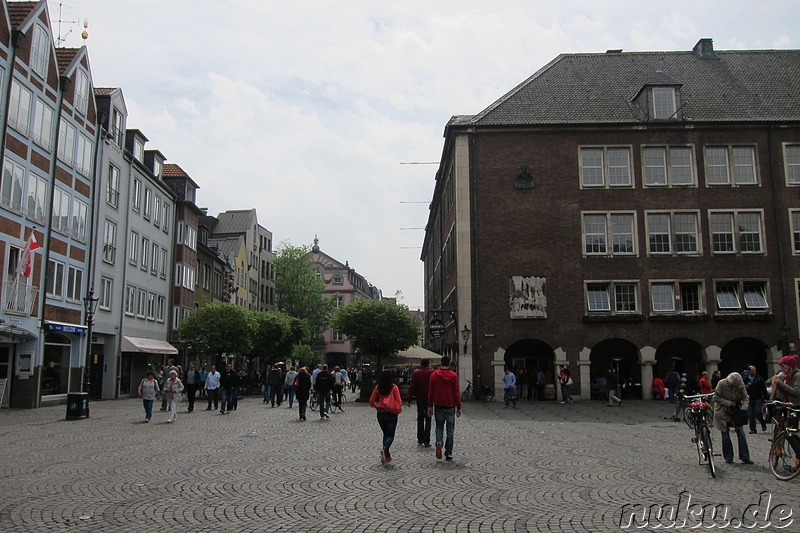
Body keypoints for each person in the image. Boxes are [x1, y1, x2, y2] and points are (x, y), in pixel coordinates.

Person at [713, 371, 753, 465]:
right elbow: (715, 398)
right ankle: (728, 457)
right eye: (732, 385)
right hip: (722, 411)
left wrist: (743, 408)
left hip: (736, 412)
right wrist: (729, 403)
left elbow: (745, 397)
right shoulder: (722, 383)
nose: (734, 387)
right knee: (725, 434)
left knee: (741, 433)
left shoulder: (740, 384)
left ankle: (745, 456)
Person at [427, 356, 462, 461]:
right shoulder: (454, 376)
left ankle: (439, 443)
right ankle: (449, 452)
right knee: (450, 430)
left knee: (439, 426)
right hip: (450, 405)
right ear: (449, 364)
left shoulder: (434, 376)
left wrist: (430, 406)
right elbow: (456, 392)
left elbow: (430, 392)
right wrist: (459, 407)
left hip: (438, 405)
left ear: (441, 363)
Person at [370, 370, 403, 465]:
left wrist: (377, 406)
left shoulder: (378, 387)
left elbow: (371, 400)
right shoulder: (394, 387)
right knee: (390, 435)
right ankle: (384, 449)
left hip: (380, 413)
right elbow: (399, 401)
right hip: (392, 414)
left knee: (385, 433)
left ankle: (387, 455)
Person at [407, 358, 434, 447]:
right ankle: (427, 440)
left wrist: (409, 399)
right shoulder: (432, 373)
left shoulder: (416, 373)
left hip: (419, 398)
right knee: (428, 419)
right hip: (429, 399)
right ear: (428, 364)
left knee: (420, 418)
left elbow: (412, 386)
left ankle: (420, 438)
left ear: (421, 364)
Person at [745, 365, 768, 434]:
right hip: (749, 398)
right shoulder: (745, 379)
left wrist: (765, 397)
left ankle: (762, 422)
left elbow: (764, 388)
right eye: (752, 371)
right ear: (749, 371)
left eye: (755, 371)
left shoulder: (759, 379)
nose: (754, 372)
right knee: (750, 414)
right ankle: (753, 428)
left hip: (758, 398)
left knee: (758, 412)